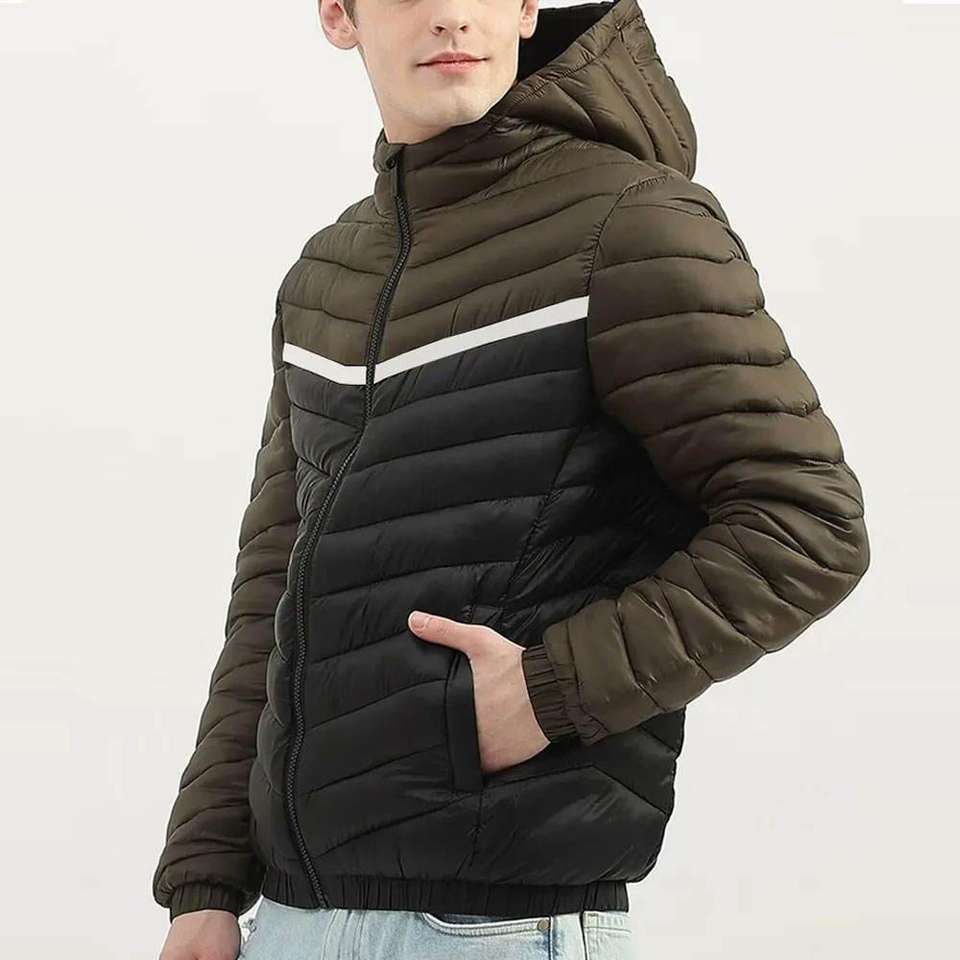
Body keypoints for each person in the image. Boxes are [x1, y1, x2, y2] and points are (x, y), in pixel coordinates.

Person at [153, 1, 871, 957]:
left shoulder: (632, 224)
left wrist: (546, 691)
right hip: (287, 923)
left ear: (528, 6)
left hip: (500, 929)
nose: (453, 14)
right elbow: (272, 596)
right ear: (338, 14)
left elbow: (807, 525)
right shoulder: (325, 280)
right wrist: (205, 881)